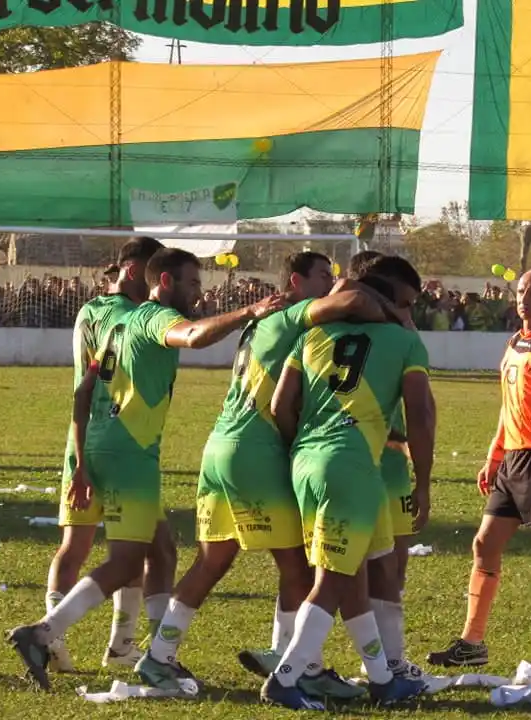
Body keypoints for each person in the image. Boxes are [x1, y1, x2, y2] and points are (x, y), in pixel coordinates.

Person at [6, 248, 286, 690]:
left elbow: (83, 390)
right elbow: (192, 336)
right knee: (125, 561)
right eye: (193, 284)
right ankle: (42, 633)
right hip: (129, 451)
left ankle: (153, 651)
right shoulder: (155, 317)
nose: (200, 292)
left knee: (160, 549)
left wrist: (81, 456)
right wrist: (249, 310)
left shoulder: (118, 320)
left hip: (100, 440)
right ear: (167, 283)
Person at [136, 251, 394, 700]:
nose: (331, 284)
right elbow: (354, 305)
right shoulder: (290, 314)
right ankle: (302, 665)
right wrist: (389, 305)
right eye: (322, 276)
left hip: (221, 446)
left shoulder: (264, 322)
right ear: (295, 281)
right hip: (256, 450)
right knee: (298, 565)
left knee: (212, 561)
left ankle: (158, 655)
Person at [262, 275, 435, 710]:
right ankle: (285, 679)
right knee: (333, 579)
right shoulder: (404, 342)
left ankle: (382, 680)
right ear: (388, 302)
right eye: (406, 304)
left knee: (354, 577)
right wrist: (425, 481)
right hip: (353, 466)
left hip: (309, 461)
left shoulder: (313, 335)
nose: (409, 312)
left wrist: (303, 448)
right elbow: (420, 413)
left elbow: (281, 407)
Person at [427, 268, 531, 671]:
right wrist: (494, 454)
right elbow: (509, 406)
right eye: (521, 292)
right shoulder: (515, 342)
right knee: (484, 544)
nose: (525, 299)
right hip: (513, 460)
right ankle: (473, 641)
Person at [45, 236, 179, 675]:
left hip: (84, 437)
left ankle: (99, 643)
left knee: (86, 544)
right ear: (133, 269)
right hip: (120, 440)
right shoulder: (133, 317)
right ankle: (88, 637)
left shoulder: (90, 310)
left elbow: (84, 382)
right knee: (141, 548)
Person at [346, 254, 433, 681]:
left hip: (389, 466)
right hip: (362, 463)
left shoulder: (401, 337)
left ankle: (388, 659)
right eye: (406, 303)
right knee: (356, 568)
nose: (409, 313)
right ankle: (378, 662)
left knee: (393, 567)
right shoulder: (368, 335)